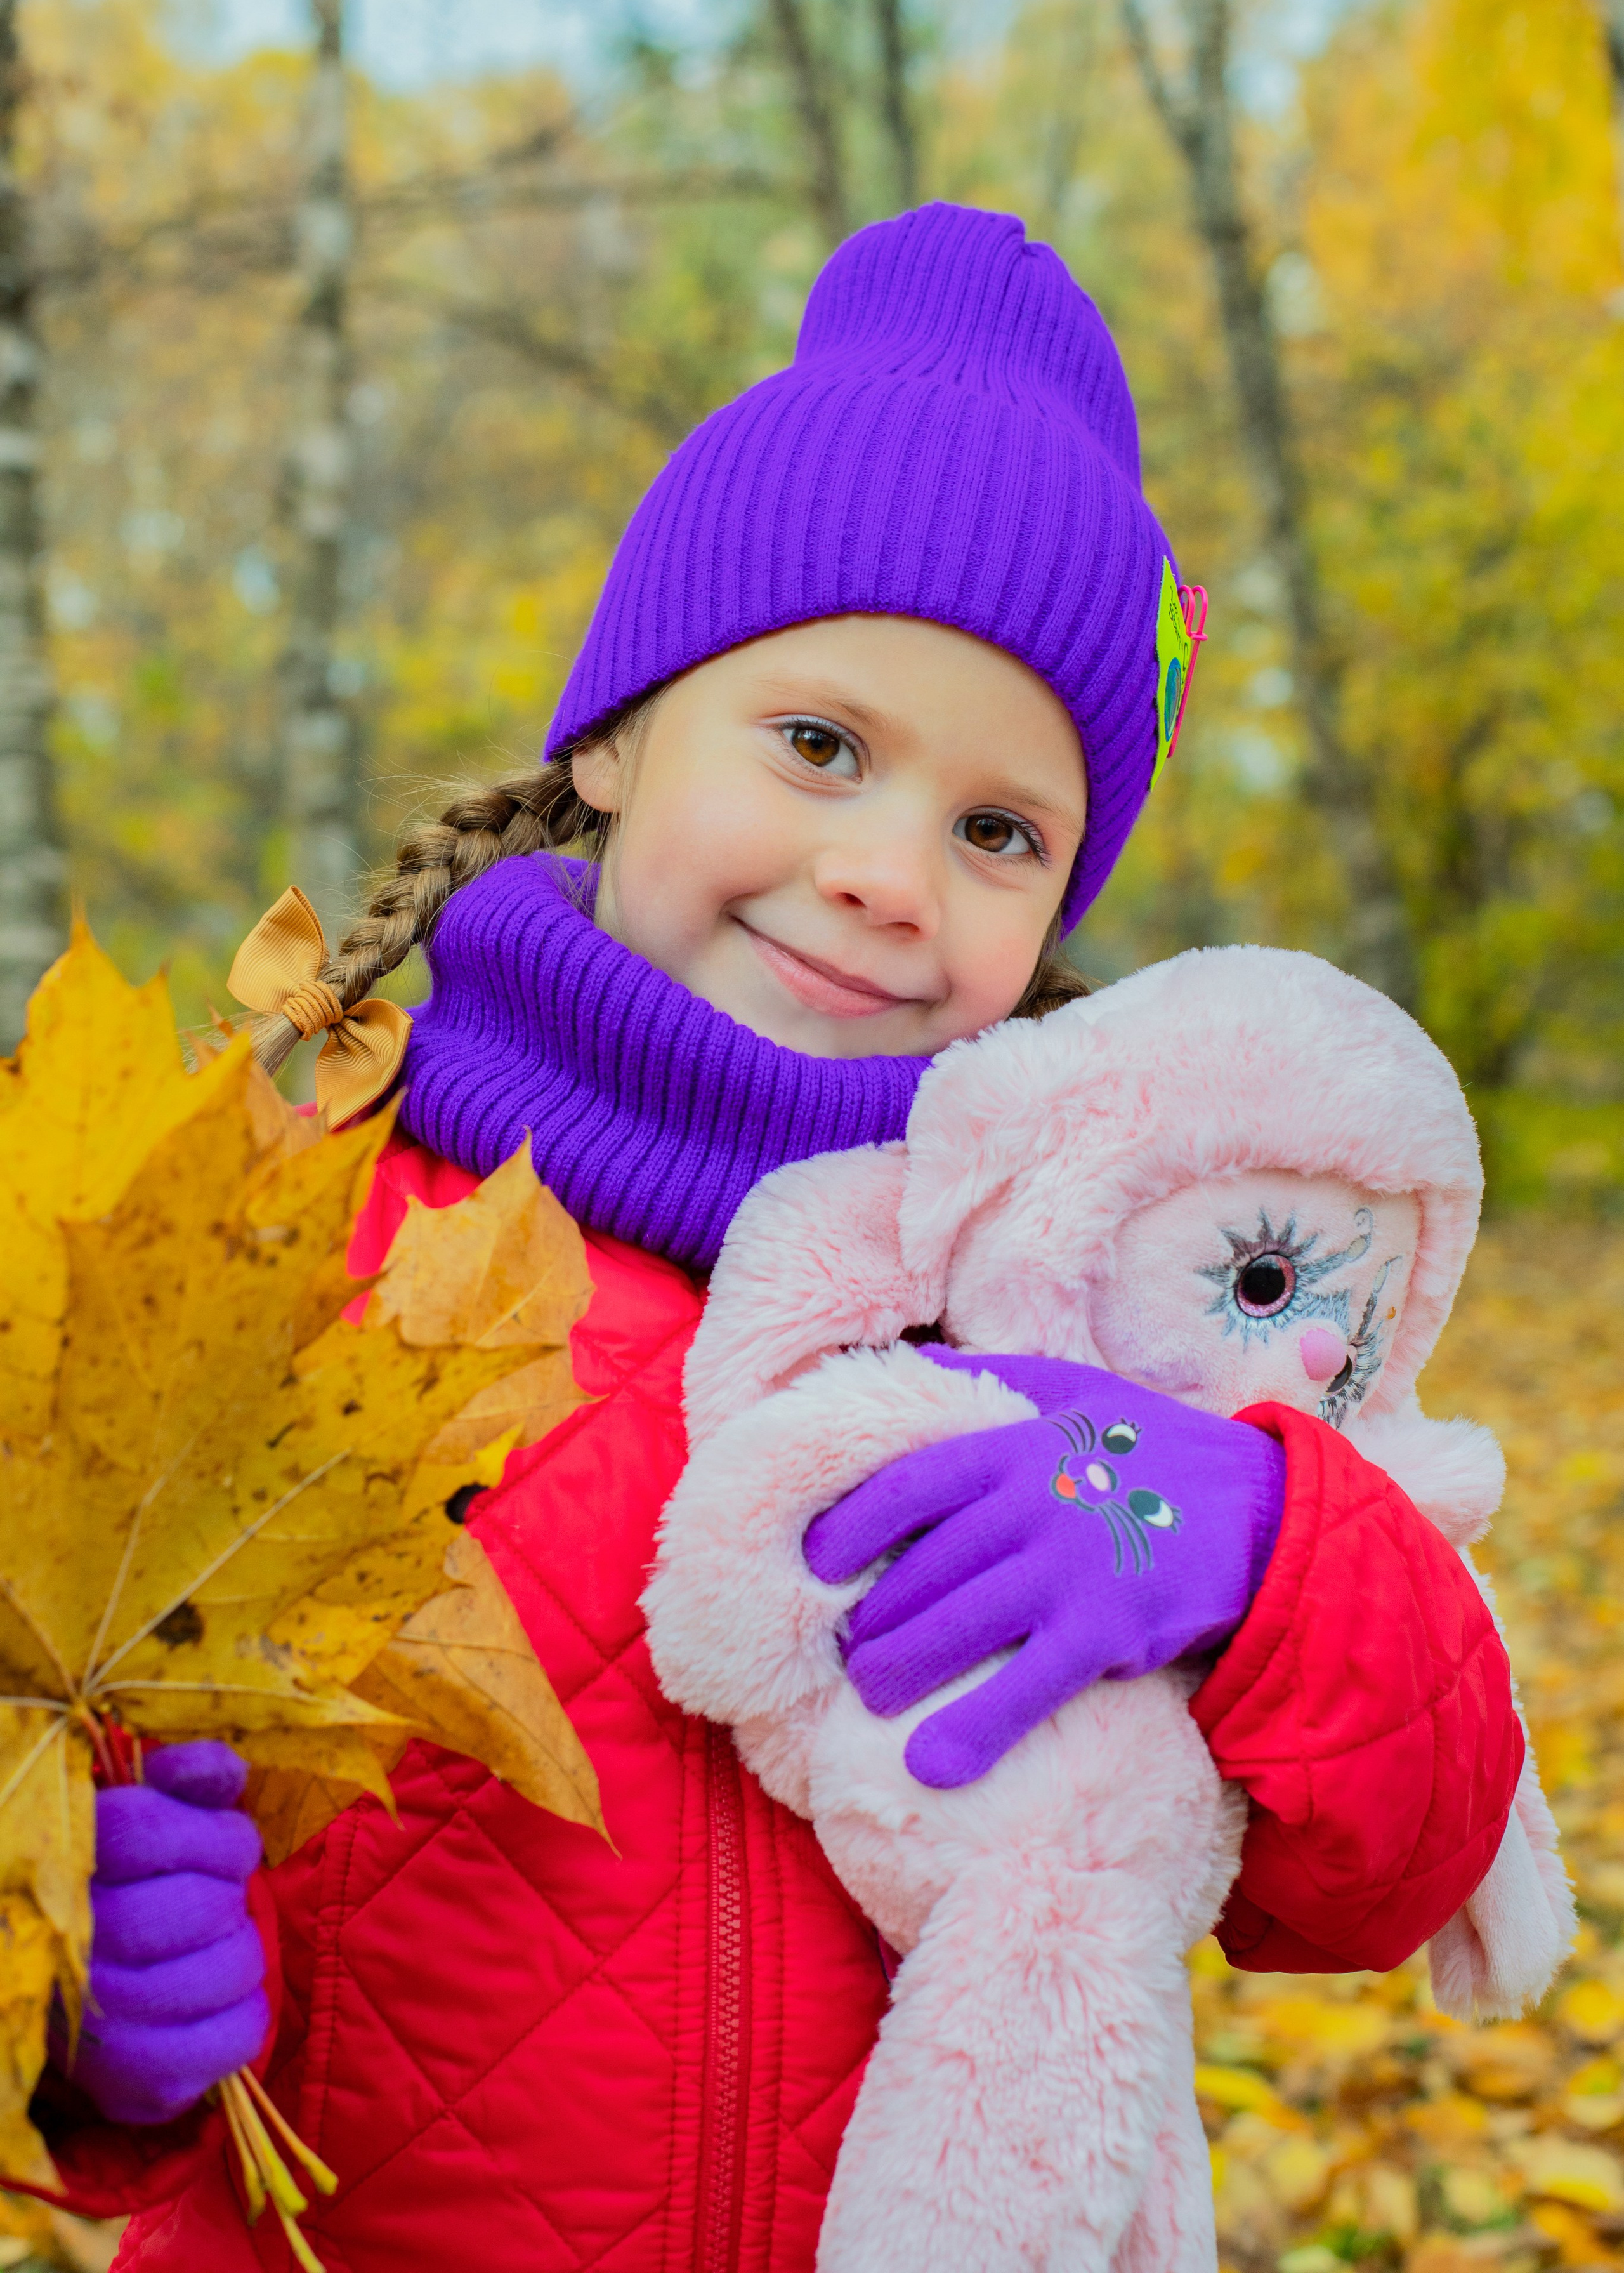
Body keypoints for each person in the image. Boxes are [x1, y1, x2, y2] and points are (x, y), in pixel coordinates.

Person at [29, 205, 1521, 2273]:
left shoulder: (1093, 1290)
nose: (892, 875)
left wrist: (1277, 1551)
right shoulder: (293, 1250)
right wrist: (90, 2032)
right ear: (620, 736)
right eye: (821, 746)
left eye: (1002, 830)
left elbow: (1385, 1873)